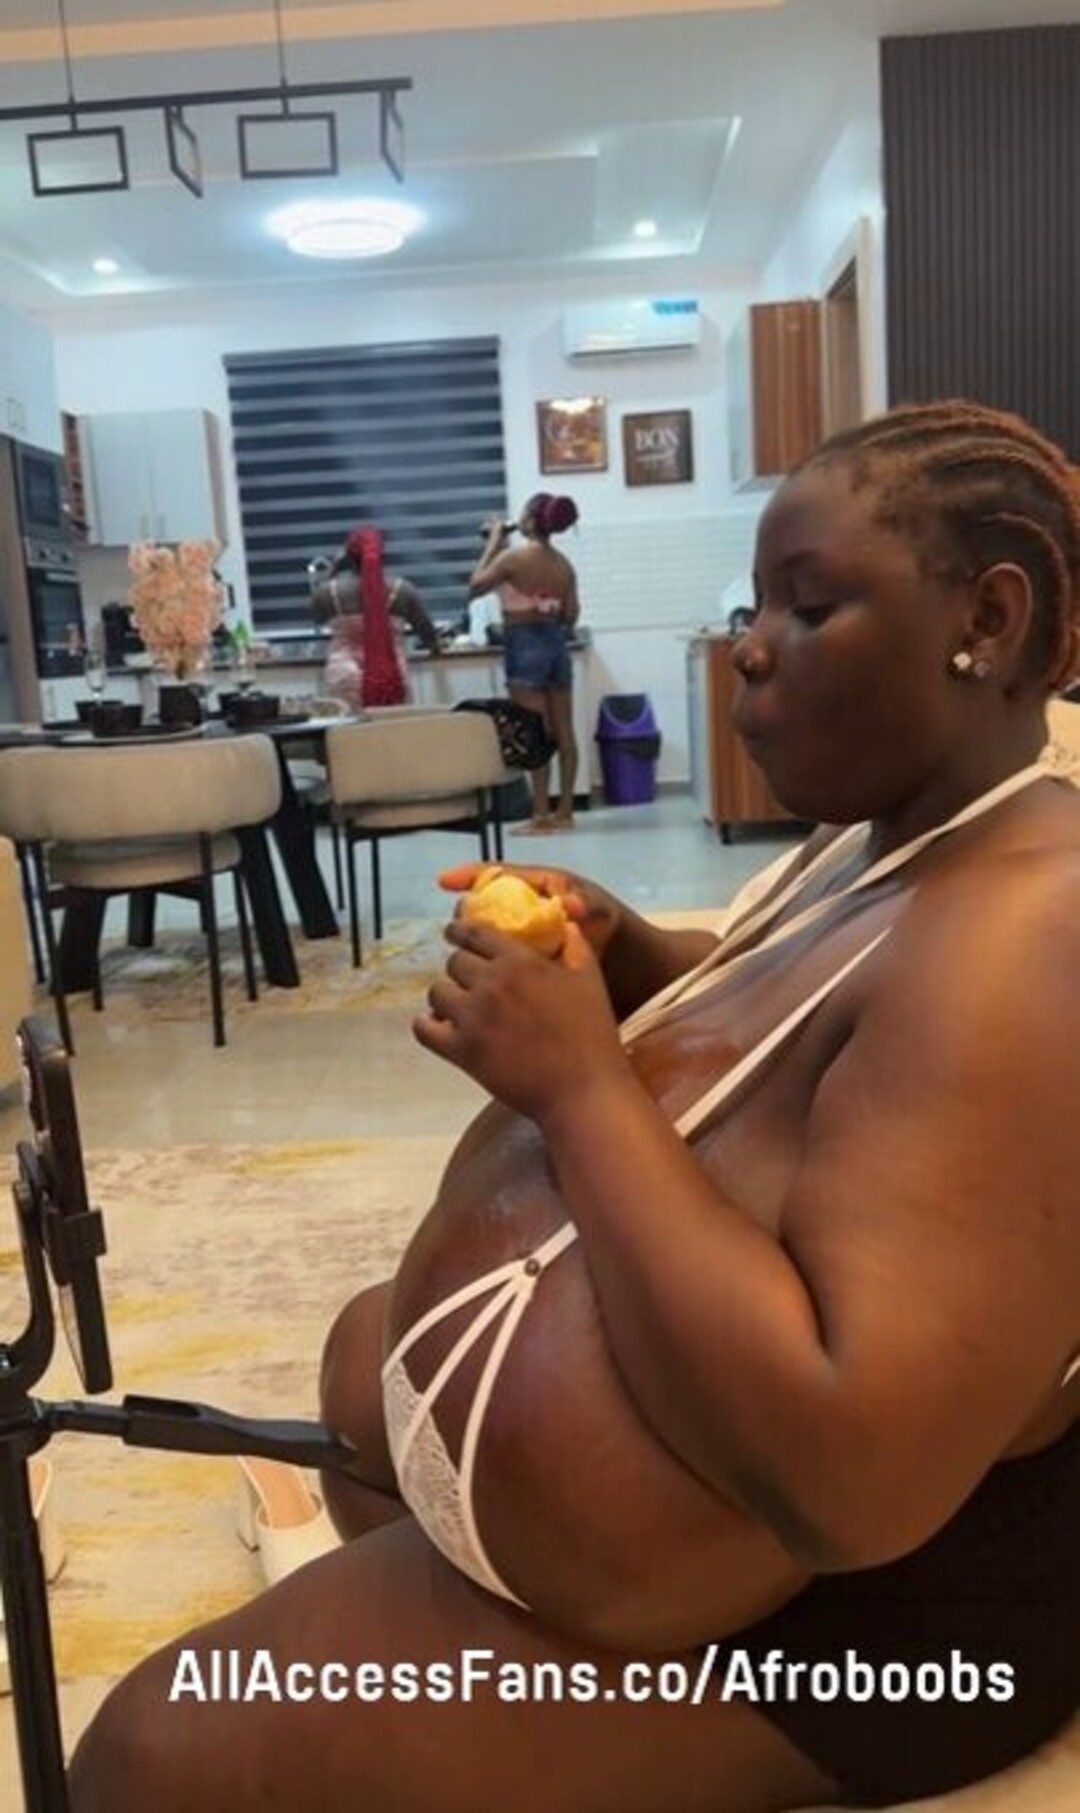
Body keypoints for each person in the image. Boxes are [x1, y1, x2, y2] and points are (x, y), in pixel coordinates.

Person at [70, 401, 1080, 1813]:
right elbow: (825, 1039)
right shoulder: (896, 832)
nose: (753, 645)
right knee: (366, 1367)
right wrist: (638, 959)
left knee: (152, 1753)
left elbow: (854, 1480)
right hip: (725, 1544)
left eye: (809, 606)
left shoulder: (1031, 941)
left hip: (882, 1633)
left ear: (989, 618)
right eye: (755, 606)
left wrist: (577, 1081)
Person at [469, 492, 581, 831]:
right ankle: (565, 812)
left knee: (534, 732)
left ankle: (540, 814)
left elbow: (475, 586)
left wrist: (493, 541)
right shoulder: (563, 565)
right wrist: (545, 608)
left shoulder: (513, 559)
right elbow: (571, 616)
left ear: (530, 521)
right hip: (555, 644)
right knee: (564, 731)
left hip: (523, 643)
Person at [311, 525, 440, 709]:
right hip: (391, 674)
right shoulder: (403, 590)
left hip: (344, 673)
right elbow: (427, 634)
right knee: (393, 725)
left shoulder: (327, 591)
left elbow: (318, 618)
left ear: (347, 557)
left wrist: (334, 570)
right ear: (382, 555)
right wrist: (436, 649)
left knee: (348, 726)